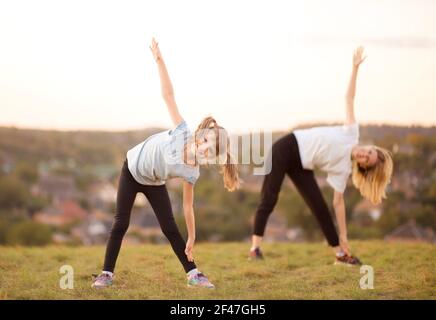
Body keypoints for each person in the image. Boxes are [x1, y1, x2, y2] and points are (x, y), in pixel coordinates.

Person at [92, 38, 240, 289]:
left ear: (213, 157)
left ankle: (193, 274)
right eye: (206, 141)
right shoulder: (182, 131)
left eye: (211, 150)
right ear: (201, 134)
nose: (204, 148)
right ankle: (106, 274)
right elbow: (168, 94)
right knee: (121, 222)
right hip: (131, 170)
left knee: (170, 227)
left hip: (153, 181)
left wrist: (192, 236)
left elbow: (188, 207)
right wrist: (160, 61)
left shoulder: (192, 172)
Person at [249, 47, 393, 265]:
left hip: (302, 165)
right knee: (269, 198)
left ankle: (340, 254)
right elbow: (349, 98)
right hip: (286, 147)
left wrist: (343, 235)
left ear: (363, 167)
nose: (365, 155)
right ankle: (255, 248)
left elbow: (338, 204)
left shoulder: (343, 169)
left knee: (320, 207)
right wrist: (354, 69)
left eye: (367, 160)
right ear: (370, 147)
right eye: (370, 152)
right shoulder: (351, 133)